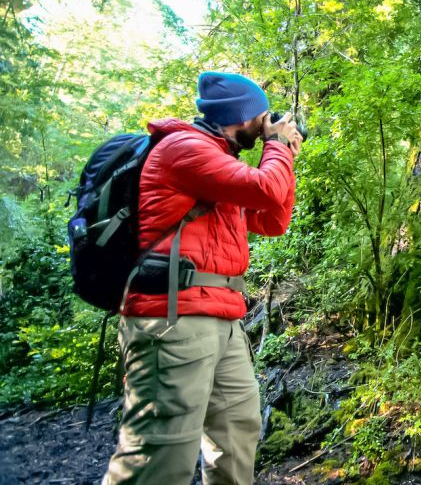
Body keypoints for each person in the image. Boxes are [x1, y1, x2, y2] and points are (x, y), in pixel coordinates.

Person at [102, 72, 302, 485]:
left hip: (222, 321)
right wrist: (276, 146)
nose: (266, 124)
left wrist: (285, 154)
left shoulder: (220, 160)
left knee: (237, 434)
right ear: (241, 116)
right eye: (262, 116)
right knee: (159, 453)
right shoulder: (185, 149)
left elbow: (272, 219)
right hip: (174, 319)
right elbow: (265, 189)